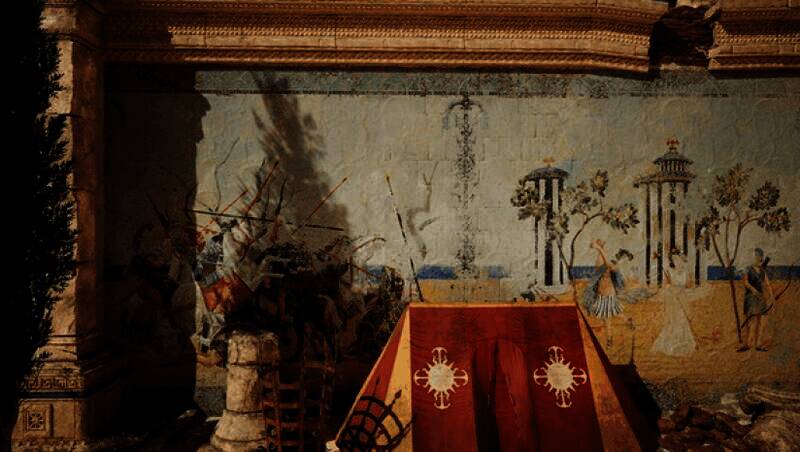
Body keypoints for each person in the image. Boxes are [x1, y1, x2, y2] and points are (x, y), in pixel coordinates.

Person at [651, 251, 697, 356]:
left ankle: (682, 342)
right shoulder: (670, 272)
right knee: (673, 320)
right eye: (674, 260)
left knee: (682, 319)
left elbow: (689, 286)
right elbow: (666, 286)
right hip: (673, 300)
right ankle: (671, 343)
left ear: (682, 260)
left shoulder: (686, 273)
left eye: (678, 259)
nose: (677, 262)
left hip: (681, 299)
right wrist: (671, 289)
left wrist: (681, 291)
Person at [583, 239, 625, 346]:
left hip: (609, 294)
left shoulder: (612, 266)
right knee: (613, 314)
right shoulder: (602, 265)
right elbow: (599, 264)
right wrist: (599, 249)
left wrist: (599, 248)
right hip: (602, 294)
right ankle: (628, 322)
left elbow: (606, 264)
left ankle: (609, 339)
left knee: (608, 317)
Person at [738, 248, 775, 352]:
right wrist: (753, 290)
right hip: (751, 298)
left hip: (760, 298)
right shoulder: (748, 269)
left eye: (754, 256)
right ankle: (747, 343)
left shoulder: (762, 271)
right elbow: (745, 282)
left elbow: (767, 284)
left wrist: (772, 296)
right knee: (751, 322)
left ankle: (758, 344)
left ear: (759, 257)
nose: (752, 257)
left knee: (762, 322)